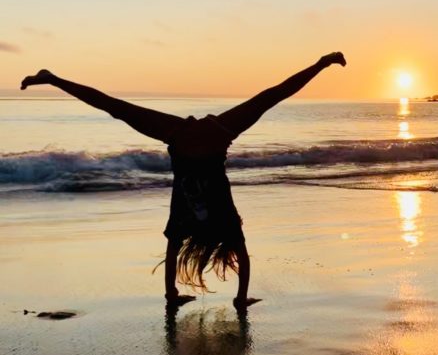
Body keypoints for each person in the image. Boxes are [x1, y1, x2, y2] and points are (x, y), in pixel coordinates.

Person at [21, 52, 347, 312]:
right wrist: (180, 295)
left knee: (268, 97)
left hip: (209, 135)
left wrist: (232, 296)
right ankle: (52, 79)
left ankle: (322, 62)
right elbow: (176, 251)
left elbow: (237, 256)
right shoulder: (192, 221)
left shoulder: (223, 224)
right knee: (115, 107)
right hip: (190, 137)